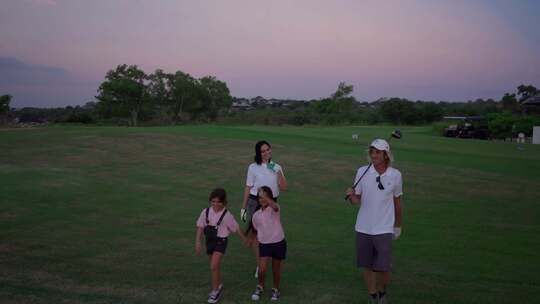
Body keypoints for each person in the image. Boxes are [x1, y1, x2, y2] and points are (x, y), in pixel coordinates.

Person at [345, 139, 403, 304]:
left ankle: (382, 292)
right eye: (372, 152)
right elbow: (357, 201)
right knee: (367, 265)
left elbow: (398, 203)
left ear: (386, 155)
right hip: (363, 227)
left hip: (384, 228)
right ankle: (372, 296)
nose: (374, 155)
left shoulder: (396, 175)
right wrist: (351, 195)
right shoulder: (362, 171)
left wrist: (398, 226)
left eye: (378, 152)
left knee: (383, 267)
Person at [240, 140, 287, 278]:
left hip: (272, 203)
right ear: (258, 153)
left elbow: (284, 188)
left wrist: (278, 172)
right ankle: (259, 264)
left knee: (271, 232)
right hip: (255, 201)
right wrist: (243, 208)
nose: (266, 153)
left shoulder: (277, 166)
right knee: (256, 235)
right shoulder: (253, 167)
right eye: (263, 151)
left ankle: (269, 258)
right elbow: (248, 187)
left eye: (268, 150)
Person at [195, 188, 247, 304]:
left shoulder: (227, 215)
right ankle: (218, 284)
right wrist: (198, 242)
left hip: (221, 241)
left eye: (218, 202)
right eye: (213, 201)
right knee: (215, 267)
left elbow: (236, 228)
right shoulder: (206, 212)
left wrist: (245, 240)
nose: (215, 204)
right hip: (210, 241)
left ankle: (215, 292)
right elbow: (200, 226)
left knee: (213, 266)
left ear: (224, 202)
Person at [249, 186, 286, 301]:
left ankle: (275, 289)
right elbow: (255, 230)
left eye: (265, 197)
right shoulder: (256, 215)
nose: (262, 200)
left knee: (276, 269)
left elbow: (274, 205)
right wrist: (252, 240)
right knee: (262, 269)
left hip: (278, 242)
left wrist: (266, 197)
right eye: (260, 198)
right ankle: (260, 286)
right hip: (264, 244)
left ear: (270, 197)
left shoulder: (275, 208)